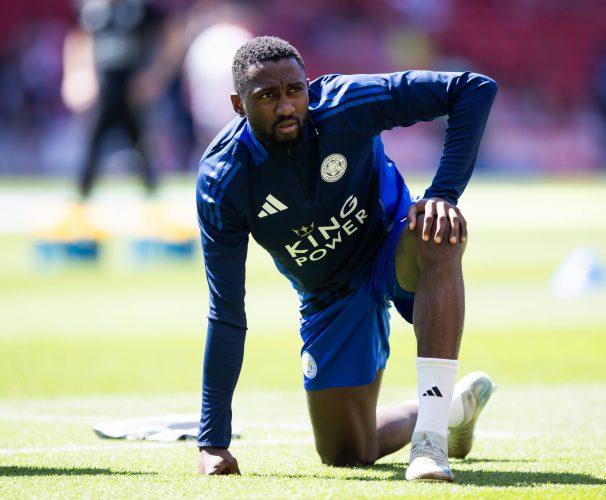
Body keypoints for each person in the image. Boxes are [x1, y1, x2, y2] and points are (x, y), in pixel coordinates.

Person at [195, 36, 498, 482]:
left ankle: (430, 443)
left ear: (308, 86)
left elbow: (472, 88)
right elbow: (226, 311)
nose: (286, 106)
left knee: (438, 231)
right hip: (329, 294)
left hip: (392, 243)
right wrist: (213, 442)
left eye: (295, 90)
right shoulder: (223, 180)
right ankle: (450, 409)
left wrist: (443, 194)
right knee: (347, 453)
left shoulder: (343, 104)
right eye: (268, 96)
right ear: (239, 105)